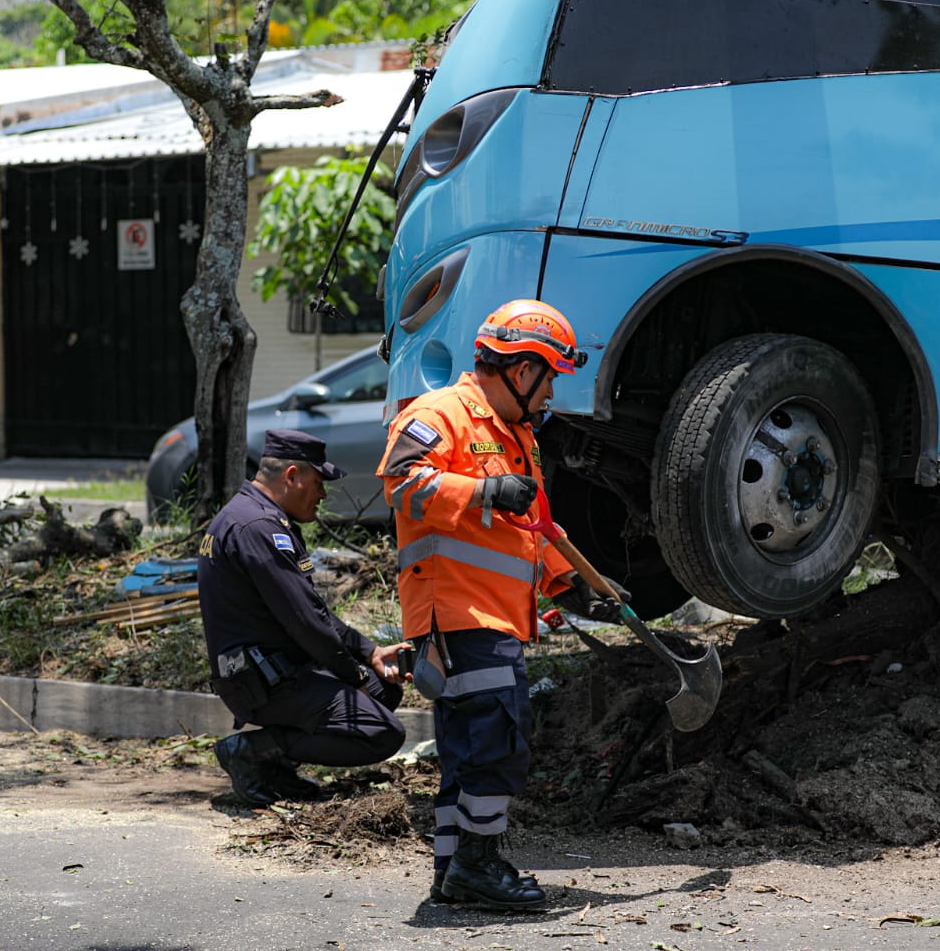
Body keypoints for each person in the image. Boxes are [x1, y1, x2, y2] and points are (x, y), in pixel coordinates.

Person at [376, 299, 630, 911]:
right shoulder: (443, 413)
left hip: (489, 613)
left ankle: (453, 870)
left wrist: (571, 582)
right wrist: (483, 487)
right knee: (498, 741)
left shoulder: (516, 437)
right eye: (549, 382)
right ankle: (478, 866)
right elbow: (401, 482)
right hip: (459, 612)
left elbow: (527, 530)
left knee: (469, 750)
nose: (551, 399)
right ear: (522, 371)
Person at [198, 429, 411, 806]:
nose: (323, 494)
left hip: (277, 672)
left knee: (384, 686)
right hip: (263, 682)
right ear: (292, 476)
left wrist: (369, 653)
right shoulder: (259, 528)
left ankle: (274, 765)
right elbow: (306, 623)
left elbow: (312, 611)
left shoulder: (257, 518)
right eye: (318, 483)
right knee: (382, 732)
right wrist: (353, 674)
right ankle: (251, 752)